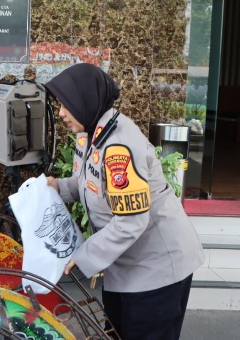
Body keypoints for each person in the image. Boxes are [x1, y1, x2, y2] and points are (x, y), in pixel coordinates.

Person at [43, 63, 204, 340]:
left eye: (65, 104)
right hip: (127, 268)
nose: (61, 113)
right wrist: (59, 187)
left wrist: (80, 256)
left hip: (157, 269)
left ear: (85, 99)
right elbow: (91, 184)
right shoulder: (90, 134)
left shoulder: (119, 147)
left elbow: (131, 222)